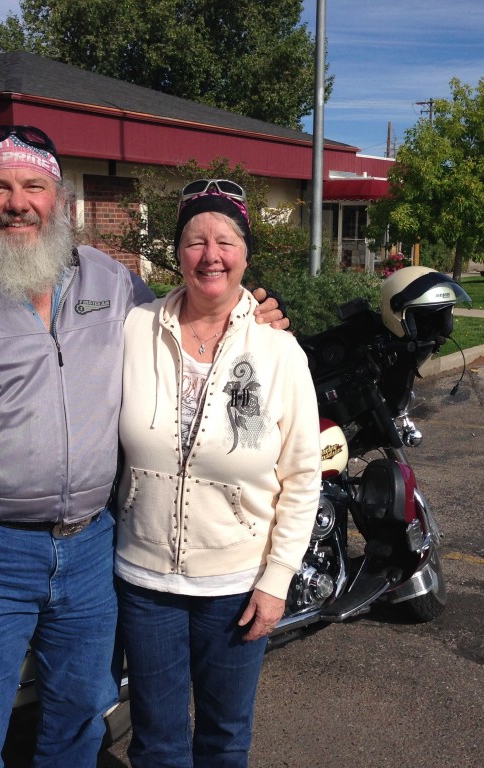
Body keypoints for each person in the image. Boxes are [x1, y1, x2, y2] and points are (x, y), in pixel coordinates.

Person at [0, 129, 285, 767]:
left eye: (34, 187)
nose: (17, 203)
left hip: (90, 551)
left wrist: (252, 312)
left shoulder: (113, 283)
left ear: (61, 201)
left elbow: (187, 319)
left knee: (81, 718)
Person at [115, 180, 322, 767]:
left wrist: (278, 578)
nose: (211, 255)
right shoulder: (133, 331)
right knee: (155, 739)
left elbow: (303, 476)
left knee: (225, 738)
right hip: (145, 578)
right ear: (176, 254)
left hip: (235, 582)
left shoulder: (279, 352)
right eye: (195, 241)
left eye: (225, 241)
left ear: (245, 255)